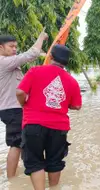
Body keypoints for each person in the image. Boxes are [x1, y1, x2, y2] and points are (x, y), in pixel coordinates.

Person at [16, 45, 82, 189]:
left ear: (50, 57)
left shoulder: (35, 71)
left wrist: (24, 104)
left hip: (33, 124)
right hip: (59, 128)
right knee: (54, 161)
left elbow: (20, 92)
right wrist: (63, 104)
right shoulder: (72, 81)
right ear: (66, 62)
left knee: (34, 162)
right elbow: (77, 106)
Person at [0, 29, 48, 178]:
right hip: (12, 110)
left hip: (13, 109)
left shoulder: (9, 63)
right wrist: (41, 38)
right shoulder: (4, 61)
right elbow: (30, 54)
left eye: (16, 46)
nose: (14, 49)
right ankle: (11, 180)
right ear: (1, 48)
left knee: (22, 142)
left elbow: (28, 57)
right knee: (16, 144)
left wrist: (41, 55)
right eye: (11, 46)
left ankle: (19, 175)